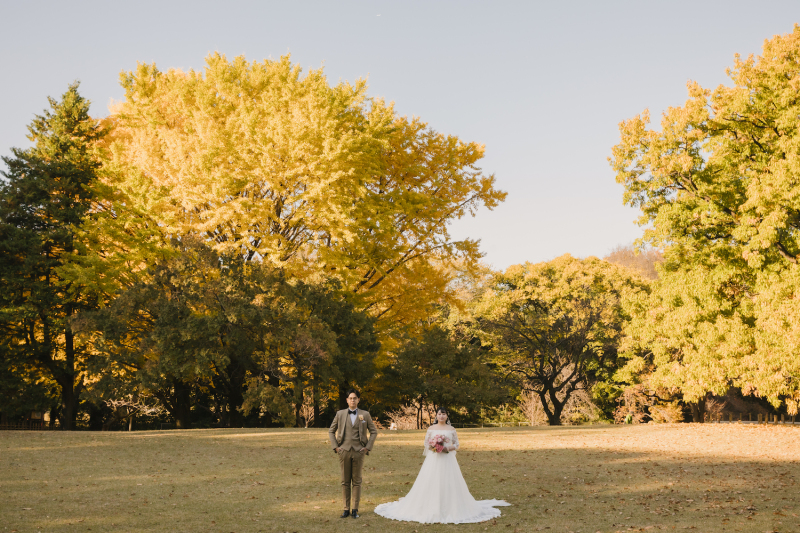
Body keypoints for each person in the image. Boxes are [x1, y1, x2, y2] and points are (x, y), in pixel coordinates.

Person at [374, 407, 510, 524]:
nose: (441, 416)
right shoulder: (431, 428)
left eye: (444, 414)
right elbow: (426, 443)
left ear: (447, 416)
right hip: (433, 459)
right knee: (430, 481)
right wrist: (434, 447)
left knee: (449, 481)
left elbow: (457, 444)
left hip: (448, 459)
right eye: (439, 414)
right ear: (436, 416)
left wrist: (446, 449)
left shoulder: (451, 429)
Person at [328, 388, 378, 519]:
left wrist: (367, 447)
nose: (352, 400)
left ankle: (355, 509)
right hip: (344, 451)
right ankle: (346, 509)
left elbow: (374, 431)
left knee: (357, 481)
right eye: (350, 398)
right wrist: (336, 447)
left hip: (358, 452)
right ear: (347, 400)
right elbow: (331, 431)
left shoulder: (365, 414)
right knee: (345, 481)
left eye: (355, 398)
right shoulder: (340, 414)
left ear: (358, 400)